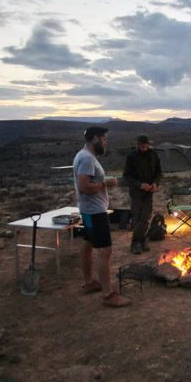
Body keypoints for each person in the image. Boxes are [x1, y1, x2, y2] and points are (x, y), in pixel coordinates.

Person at [73, 126, 131, 308]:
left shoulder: (83, 156)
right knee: (105, 251)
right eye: (104, 139)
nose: (106, 142)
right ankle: (108, 294)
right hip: (95, 212)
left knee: (88, 243)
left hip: (87, 210)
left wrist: (101, 184)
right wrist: (104, 183)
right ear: (95, 138)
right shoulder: (87, 159)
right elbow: (84, 187)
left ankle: (89, 282)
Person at [123, 134, 162, 255]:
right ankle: (135, 243)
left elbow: (159, 172)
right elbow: (126, 176)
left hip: (149, 192)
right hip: (136, 192)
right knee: (137, 217)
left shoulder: (153, 155)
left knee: (146, 217)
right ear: (138, 145)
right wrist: (139, 185)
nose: (145, 148)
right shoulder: (131, 156)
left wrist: (156, 183)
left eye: (146, 146)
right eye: (142, 146)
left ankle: (142, 239)